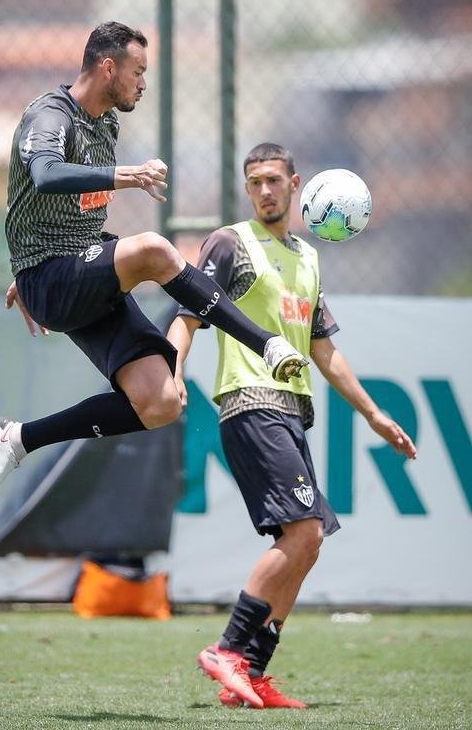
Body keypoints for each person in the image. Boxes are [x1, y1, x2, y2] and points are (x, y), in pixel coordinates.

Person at [0, 24, 308, 511]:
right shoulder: (49, 115)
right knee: (153, 248)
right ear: (108, 67)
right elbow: (44, 175)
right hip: (50, 279)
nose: (142, 83)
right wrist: (124, 177)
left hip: (77, 278)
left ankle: (18, 439)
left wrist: (30, 257)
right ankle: (266, 343)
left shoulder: (107, 123)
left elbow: (62, 216)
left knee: (160, 404)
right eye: (138, 71)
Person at [166, 142, 417, 710]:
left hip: (291, 412)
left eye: (274, 180)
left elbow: (324, 351)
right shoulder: (231, 242)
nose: (264, 191)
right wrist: (174, 373)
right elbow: (185, 315)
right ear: (247, 188)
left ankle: (252, 672)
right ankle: (228, 649)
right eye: (255, 182)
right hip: (250, 405)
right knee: (303, 534)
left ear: (296, 183)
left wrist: (373, 413)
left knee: (305, 546)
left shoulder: (307, 257)